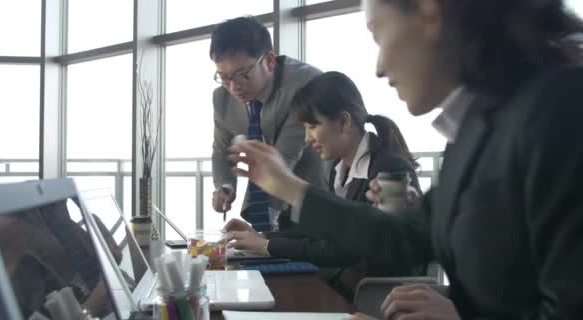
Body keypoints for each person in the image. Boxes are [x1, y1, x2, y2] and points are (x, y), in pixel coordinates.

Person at [228, 0, 583, 319]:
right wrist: (289, 188)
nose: (380, 67)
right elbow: (404, 233)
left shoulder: (560, 110)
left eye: (378, 37)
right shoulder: (475, 129)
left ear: (430, 14)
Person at [225, 71, 422, 301]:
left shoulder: (390, 169)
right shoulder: (340, 168)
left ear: (343, 122)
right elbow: (323, 234)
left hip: (376, 298)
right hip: (345, 286)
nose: (307, 138)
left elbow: (346, 250)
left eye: (312, 126)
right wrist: (261, 236)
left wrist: (267, 246)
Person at [210, 16, 329, 232]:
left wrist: (261, 232)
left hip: (313, 200)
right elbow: (221, 151)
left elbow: (285, 157)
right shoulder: (222, 98)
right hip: (273, 202)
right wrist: (225, 187)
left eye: (242, 74)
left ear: (270, 61)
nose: (234, 86)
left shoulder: (304, 83)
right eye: (224, 76)